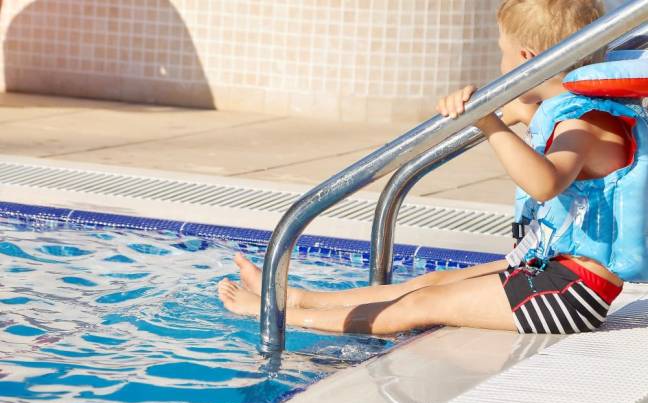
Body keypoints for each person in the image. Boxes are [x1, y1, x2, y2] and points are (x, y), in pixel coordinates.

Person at [218, 0, 645, 335]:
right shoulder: (567, 111)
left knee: (420, 306)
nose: (501, 68)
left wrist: (486, 118)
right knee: (433, 281)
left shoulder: (585, 123)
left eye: (502, 55)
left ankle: (279, 318)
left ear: (527, 57)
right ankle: (296, 299)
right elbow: (519, 111)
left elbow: (545, 182)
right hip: (549, 269)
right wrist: (487, 107)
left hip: (569, 294)